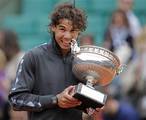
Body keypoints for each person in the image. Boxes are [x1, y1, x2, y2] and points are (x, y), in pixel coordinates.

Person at [8, 3, 102, 120]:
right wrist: (55, 100)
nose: (67, 36)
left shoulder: (83, 61)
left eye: (73, 31)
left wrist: (92, 104)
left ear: (79, 32)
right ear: (53, 27)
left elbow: (86, 108)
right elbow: (16, 100)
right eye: (62, 29)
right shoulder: (33, 57)